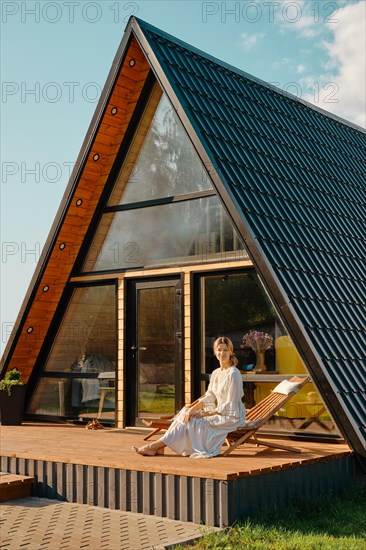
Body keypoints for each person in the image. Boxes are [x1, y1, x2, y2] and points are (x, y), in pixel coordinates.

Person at [132, 336, 246, 458]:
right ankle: (158, 447)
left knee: (196, 420)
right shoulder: (216, 373)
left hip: (231, 416)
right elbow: (209, 396)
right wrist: (193, 409)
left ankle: (154, 446)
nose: (222, 353)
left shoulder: (234, 374)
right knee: (186, 412)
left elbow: (230, 405)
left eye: (225, 350)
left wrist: (205, 414)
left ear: (231, 352)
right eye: (219, 350)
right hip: (219, 412)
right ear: (214, 352)